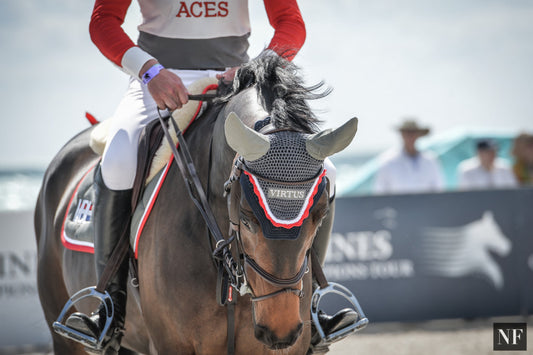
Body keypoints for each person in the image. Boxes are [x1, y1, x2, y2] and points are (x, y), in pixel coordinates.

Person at [63, 1, 355, 353]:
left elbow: (290, 22)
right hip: (160, 79)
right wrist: (150, 71)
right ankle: (110, 306)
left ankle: (313, 302)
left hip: (238, 79)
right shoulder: (154, 75)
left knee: (326, 170)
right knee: (119, 158)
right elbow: (103, 22)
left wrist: (256, 67)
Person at [374, 119, 444, 194]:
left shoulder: (430, 160)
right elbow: (380, 193)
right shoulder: (387, 161)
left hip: (425, 205)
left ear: (418, 135)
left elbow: (438, 190)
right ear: (402, 135)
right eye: (407, 133)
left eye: (413, 133)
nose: (410, 137)